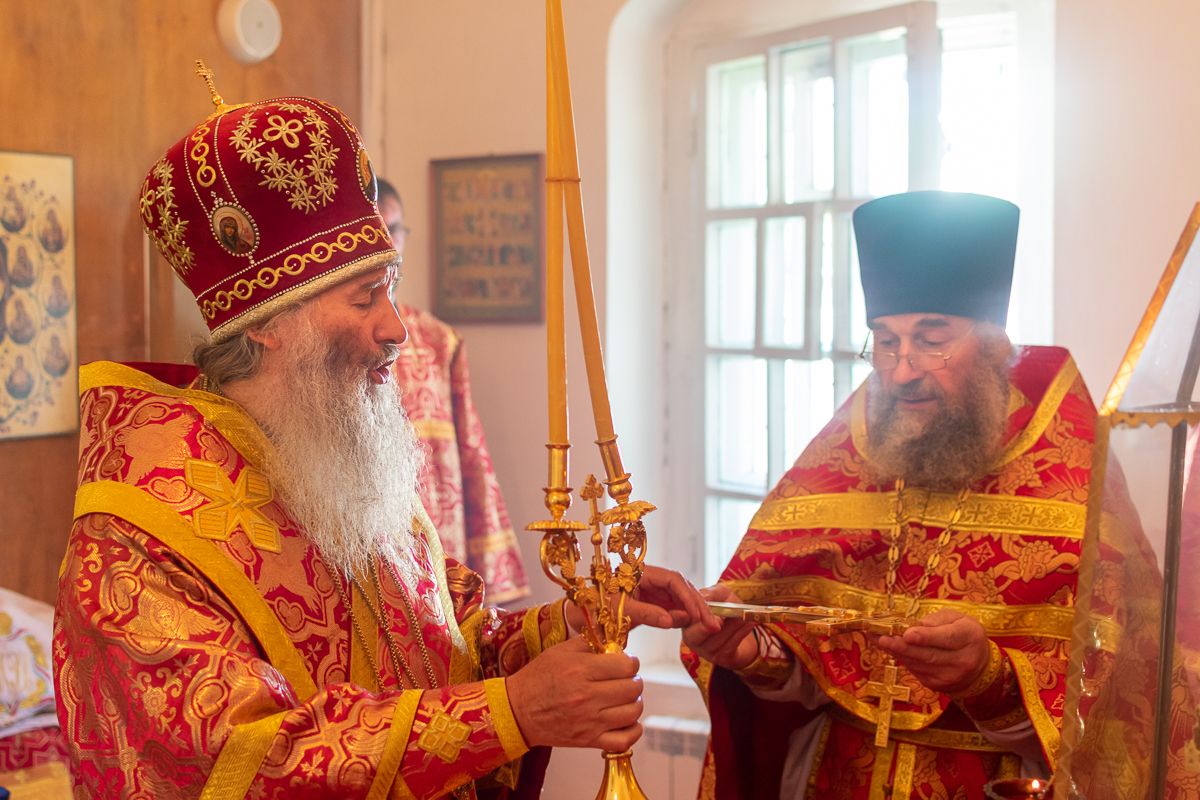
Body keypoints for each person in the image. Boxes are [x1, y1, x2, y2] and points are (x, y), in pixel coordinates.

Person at [54, 82, 716, 800]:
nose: (397, 328)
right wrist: (513, 714)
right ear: (267, 325)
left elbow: (445, 645)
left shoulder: (331, 460)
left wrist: (567, 622)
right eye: (365, 298)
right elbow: (238, 762)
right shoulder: (139, 532)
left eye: (391, 290)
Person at [683, 191, 1101, 798]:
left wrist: (988, 678)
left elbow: (1121, 703)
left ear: (993, 345)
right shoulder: (847, 453)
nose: (903, 371)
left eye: (932, 340)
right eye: (885, 342)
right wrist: (751, 652)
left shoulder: (1067, 461)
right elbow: (807, 666)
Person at [377, 178, 530, 603]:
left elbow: (470, 452)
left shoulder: (437, 340)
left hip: (441, 547)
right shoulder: (338, 340)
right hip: (375, 542)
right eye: (377, 230)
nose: (388, 244)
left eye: (394, 230)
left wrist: (491, 568)